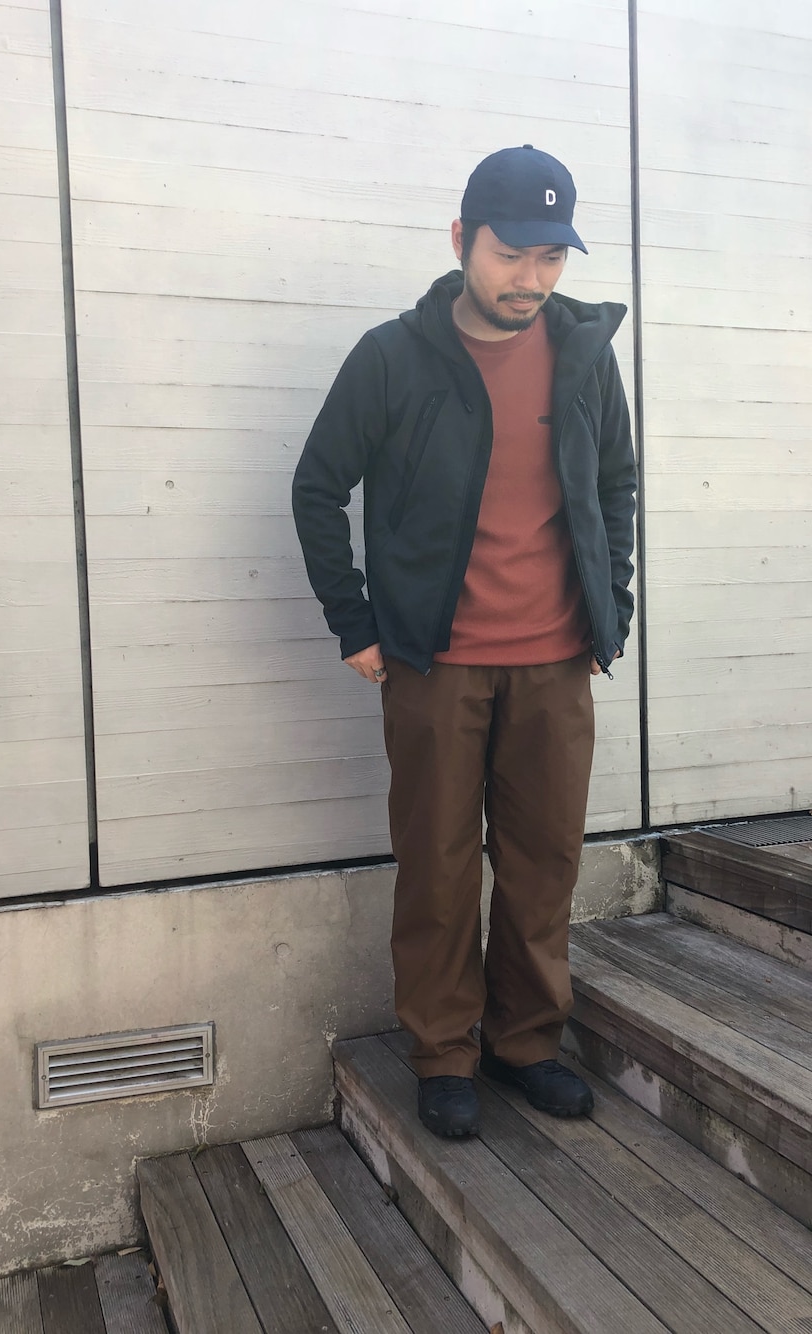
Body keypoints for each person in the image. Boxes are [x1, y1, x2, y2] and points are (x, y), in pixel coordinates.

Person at [292, 145, 637, 1137]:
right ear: (460, 240)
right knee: (438, 867)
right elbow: (317, 487)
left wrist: (610, 606)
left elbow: (615, 484)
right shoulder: (392, 358)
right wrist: (354, 622)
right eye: (510, 252)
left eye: (550, 256)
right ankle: (444, 1051)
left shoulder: (584, 353)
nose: (531, 277)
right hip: (434, 662)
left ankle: (525, 1043)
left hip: (555, 659)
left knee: (542, 862)